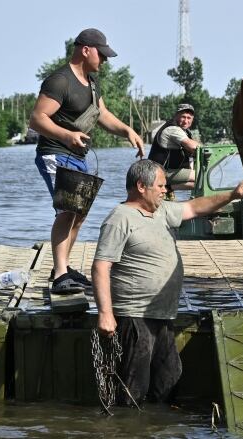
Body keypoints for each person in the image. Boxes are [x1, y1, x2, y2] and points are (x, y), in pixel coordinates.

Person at [92, 159, 243, 405]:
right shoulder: (120, 218)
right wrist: (105, 314)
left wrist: (232, 194)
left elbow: (195, 207)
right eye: (160, 185)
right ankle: (126, 428)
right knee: (134, 387)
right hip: (135, 316)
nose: (165, 190)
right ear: (141, 186)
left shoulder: (160, 211)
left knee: (168, 378)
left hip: (163, 314)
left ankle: (158, 426)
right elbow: (101, 266)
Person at [30, 28, 144, 294]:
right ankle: (60, 275)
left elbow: (102, 114)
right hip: (55, 152)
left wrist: (127, 130)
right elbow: (37, 119)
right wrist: (67, 135)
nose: (104, 60)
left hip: (77, 155)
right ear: (85, 50)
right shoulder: (60, 81)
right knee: (68, 210)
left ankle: (63, 267)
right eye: (101, 55)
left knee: (78, 214)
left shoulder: (92, 83)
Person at [148, 103, 199, 194]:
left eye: (189, 118)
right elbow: (193, 146)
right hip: (158, 173)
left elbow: (191, 155)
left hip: (164, 171)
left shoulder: (185, 131)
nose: (186, 121)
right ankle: (167, 188)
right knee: (201, 177)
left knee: (199, 176)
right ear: (176, 116)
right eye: (183, 117)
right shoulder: (172, 129)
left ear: (192, 119)